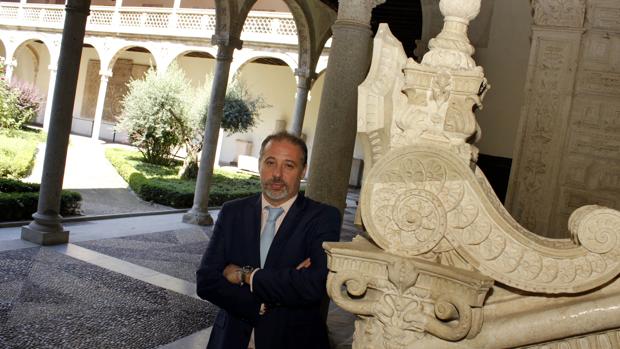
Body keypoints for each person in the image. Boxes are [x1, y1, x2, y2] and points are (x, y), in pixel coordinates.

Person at [196, 131, 341, 349]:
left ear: (303, 170)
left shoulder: (323, 218)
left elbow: (314, 285)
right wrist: (259, 304)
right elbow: (206, 281)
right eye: (270, 162)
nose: (277, 174)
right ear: (259, 165)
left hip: (294, 341)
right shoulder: (232, 212)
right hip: (231, 339)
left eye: (289, 165)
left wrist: (245, 275)